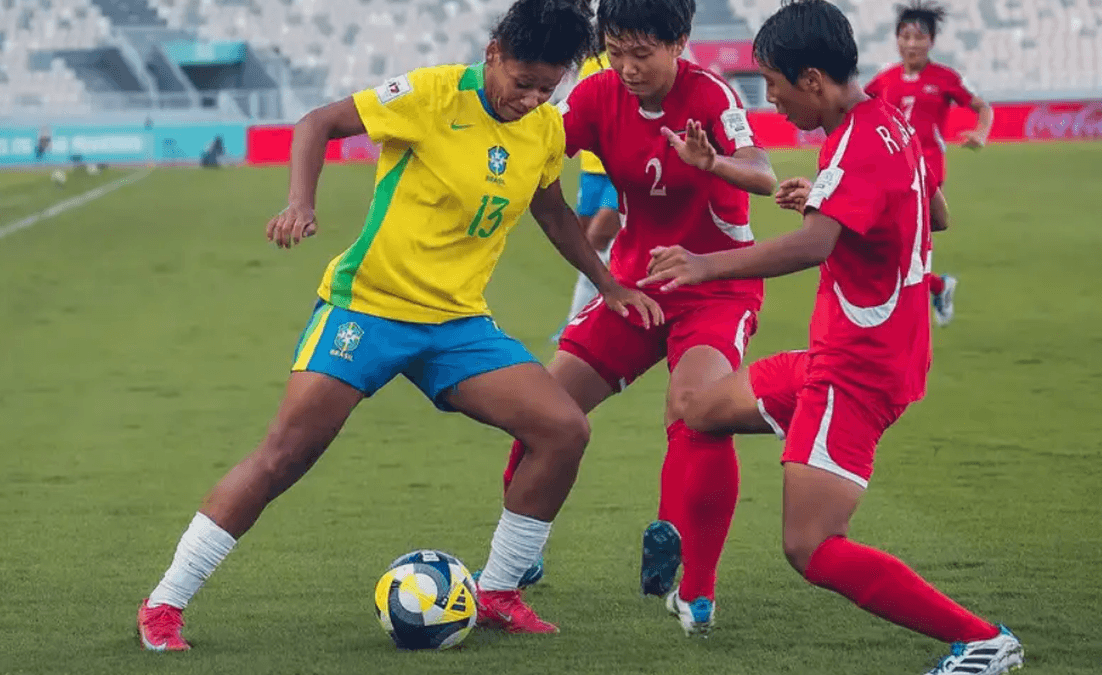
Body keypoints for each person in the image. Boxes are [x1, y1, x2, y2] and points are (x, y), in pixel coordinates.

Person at [136, 0, 662, 651]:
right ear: (494, 51)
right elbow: (317, 122)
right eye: (521, 80)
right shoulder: (431, 93)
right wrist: (301, 202)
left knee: (562, 428)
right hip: (368, 309)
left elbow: (551, 210)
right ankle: (165, 602)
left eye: (546, 87)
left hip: (457, 324)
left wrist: (608, 283)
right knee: (286, 454)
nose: (530, 98)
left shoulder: (543, 131)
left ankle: (498, 589)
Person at [640, 1, 1024, 672]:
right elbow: (933, 212)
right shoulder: (889, 117)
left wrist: (705, 263)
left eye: (775, 85)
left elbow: (817, 245)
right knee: (698, 410)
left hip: (857, 371)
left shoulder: (859, 136)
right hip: (849, 354)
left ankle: (984, 640)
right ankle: (694, 595)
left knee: (810, 545)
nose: (773, 101)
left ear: (812, 78)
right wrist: (831, 192)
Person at [500, 0, 778, 637]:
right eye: (614, 50)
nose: (625, 67)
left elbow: (763, 174)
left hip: (716, 287)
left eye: (641, 52)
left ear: (679, 42)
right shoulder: (597, 94)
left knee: (696, 410)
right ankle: (522, 549)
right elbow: (534, 146)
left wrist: (714, 164)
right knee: (543, 411)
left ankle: (695, 590)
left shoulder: (712, 95)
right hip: (636, 285)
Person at [864, 1, 994, 327]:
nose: (912, 43)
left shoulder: (944, 78)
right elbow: (856, 111)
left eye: (919, 37)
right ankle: (937, 286)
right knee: (888, 243)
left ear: (931, 42)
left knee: (906, 244)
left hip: (927, 172)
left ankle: (905, 314)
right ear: (896, 40)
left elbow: (983, 107)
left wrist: (981, 133)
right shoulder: (884, 80)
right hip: (888, 172)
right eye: (905, 36)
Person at [550, 50, 622, 342]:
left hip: (620, 168)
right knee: (585, 245)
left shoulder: (627, 63)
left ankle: (581, 321)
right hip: (590, 168)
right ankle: (582, 318)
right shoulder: (590, 63)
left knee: (597, 239)